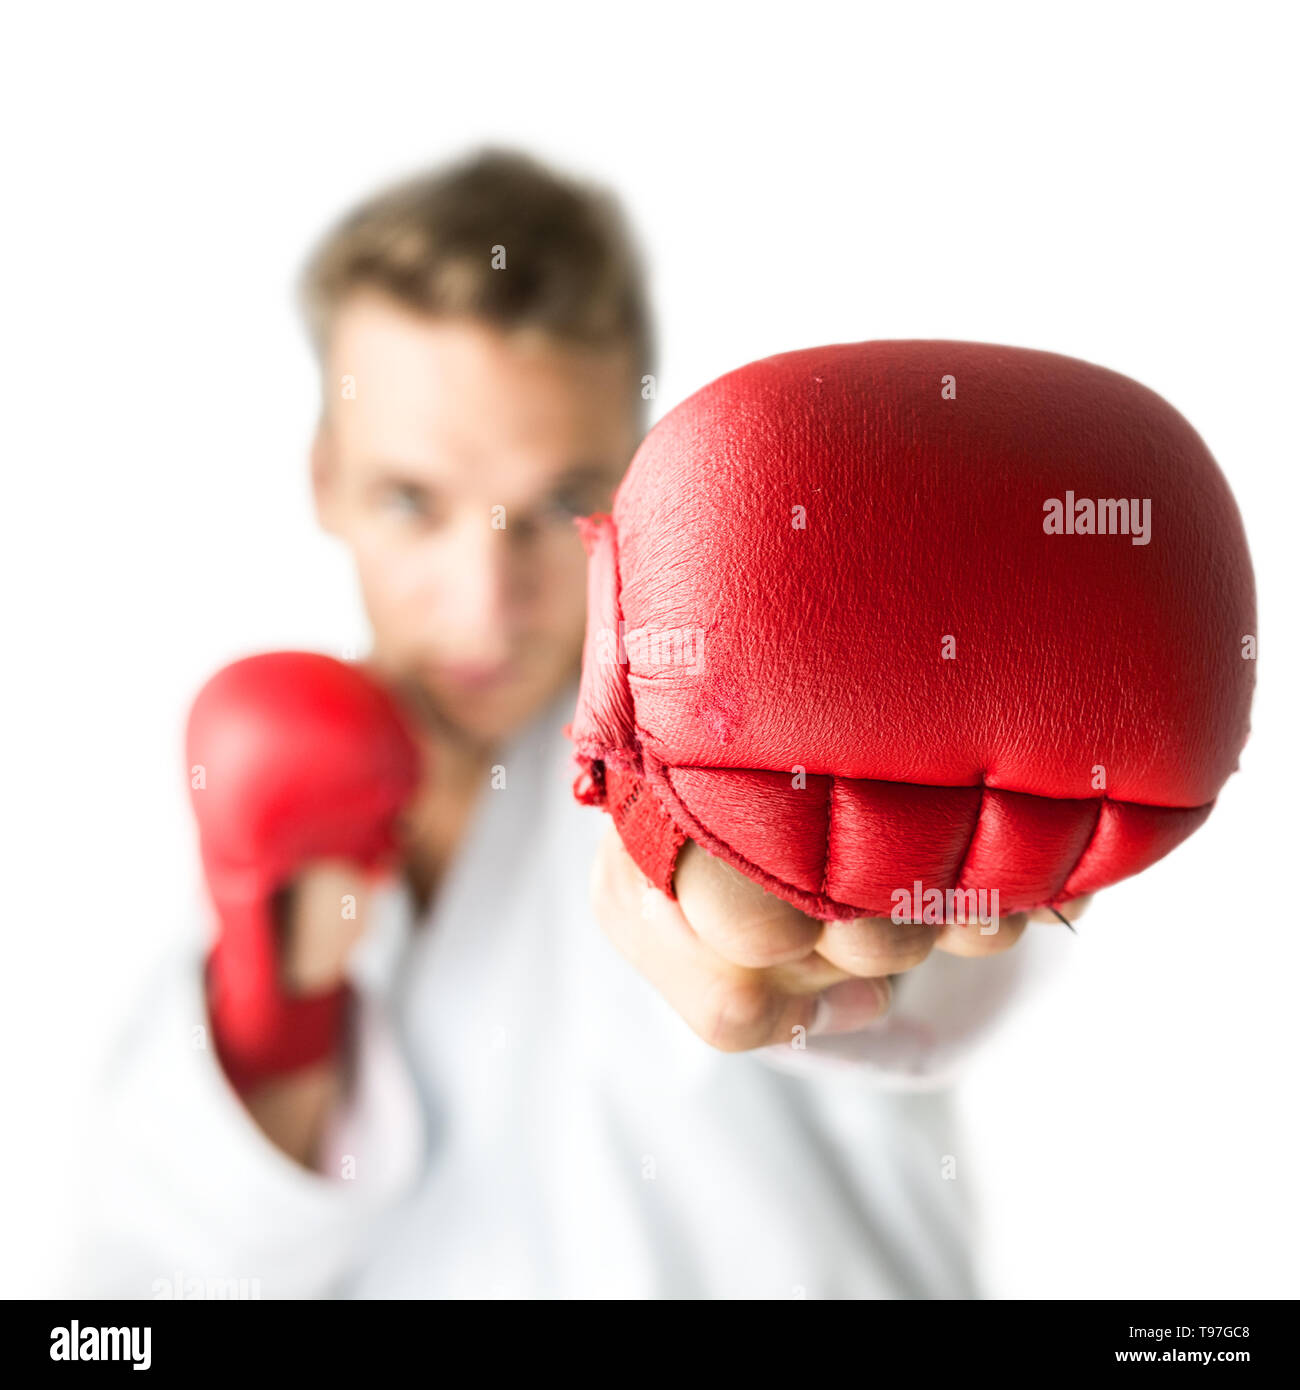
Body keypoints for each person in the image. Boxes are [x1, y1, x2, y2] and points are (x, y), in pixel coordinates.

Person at [73, 148, 1077, 1300]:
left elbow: (933, 983)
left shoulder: (745, 732)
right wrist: (275, 1006)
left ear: (641, 489)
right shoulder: (265, 783)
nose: (485, 600)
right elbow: (136, 1289)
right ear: (325, 481)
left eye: (556, 504)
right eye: (412, 501)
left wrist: (875, 867)